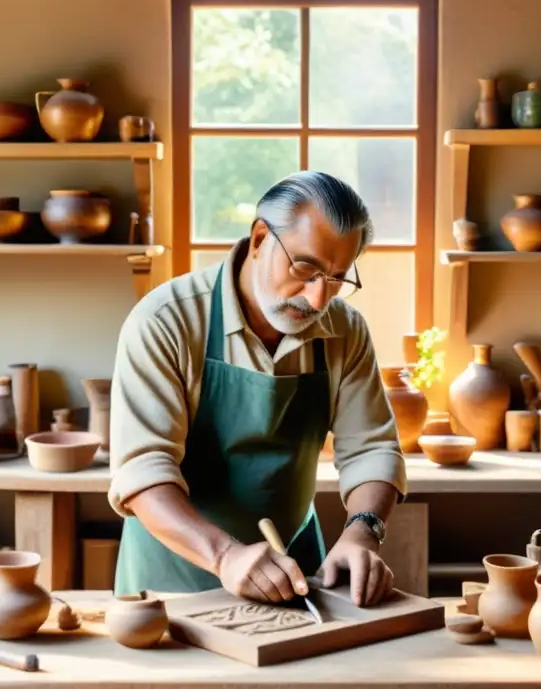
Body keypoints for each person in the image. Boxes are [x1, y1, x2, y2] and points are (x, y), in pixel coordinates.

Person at [107, 171, 406, 607]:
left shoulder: (345, 330)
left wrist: (363, 531)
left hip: (295, 569)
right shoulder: (165, 321)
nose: (318, 299)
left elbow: (372, 450)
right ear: (261, 238)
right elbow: (142, 471)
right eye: (306, 268)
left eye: (338, 278)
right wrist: (226, 555)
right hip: (172, 574)